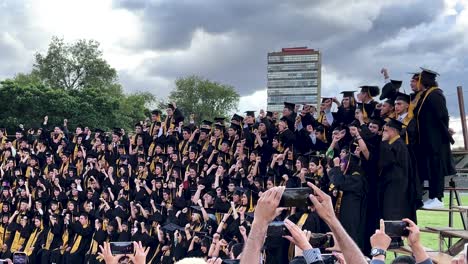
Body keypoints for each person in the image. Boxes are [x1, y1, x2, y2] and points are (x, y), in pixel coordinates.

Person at [413, 68, 456, 209]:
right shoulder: (426, 95)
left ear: (423, 81)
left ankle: (438, 198)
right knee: (431, 168)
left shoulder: (436, 94)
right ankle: (432, 197)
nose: (416, 84)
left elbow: (442, 115)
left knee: (436, 168)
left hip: (436, 141)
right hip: (428, 141)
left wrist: (445, 131)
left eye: (418, 80)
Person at [378, 119, 415, 221]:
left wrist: (384, 143)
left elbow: (385, 162)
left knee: (392, 214)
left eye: (385, 130)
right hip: (392, 185)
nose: (383, 133)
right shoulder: (395, 144)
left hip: (396, 187)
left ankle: (394, 237)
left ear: (393, 131)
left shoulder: (398, 145)